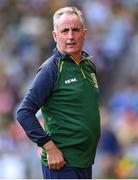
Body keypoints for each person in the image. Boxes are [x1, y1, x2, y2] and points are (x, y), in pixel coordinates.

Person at [16, 6, 101, 179]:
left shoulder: (88, 65)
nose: (70, 36)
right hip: (62, 163)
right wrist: (49, 146)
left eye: (75, 30)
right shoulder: (51, 69)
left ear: (84, 33)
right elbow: (24, 112)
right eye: (64, 31)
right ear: (55, 36)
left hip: (84, 162)